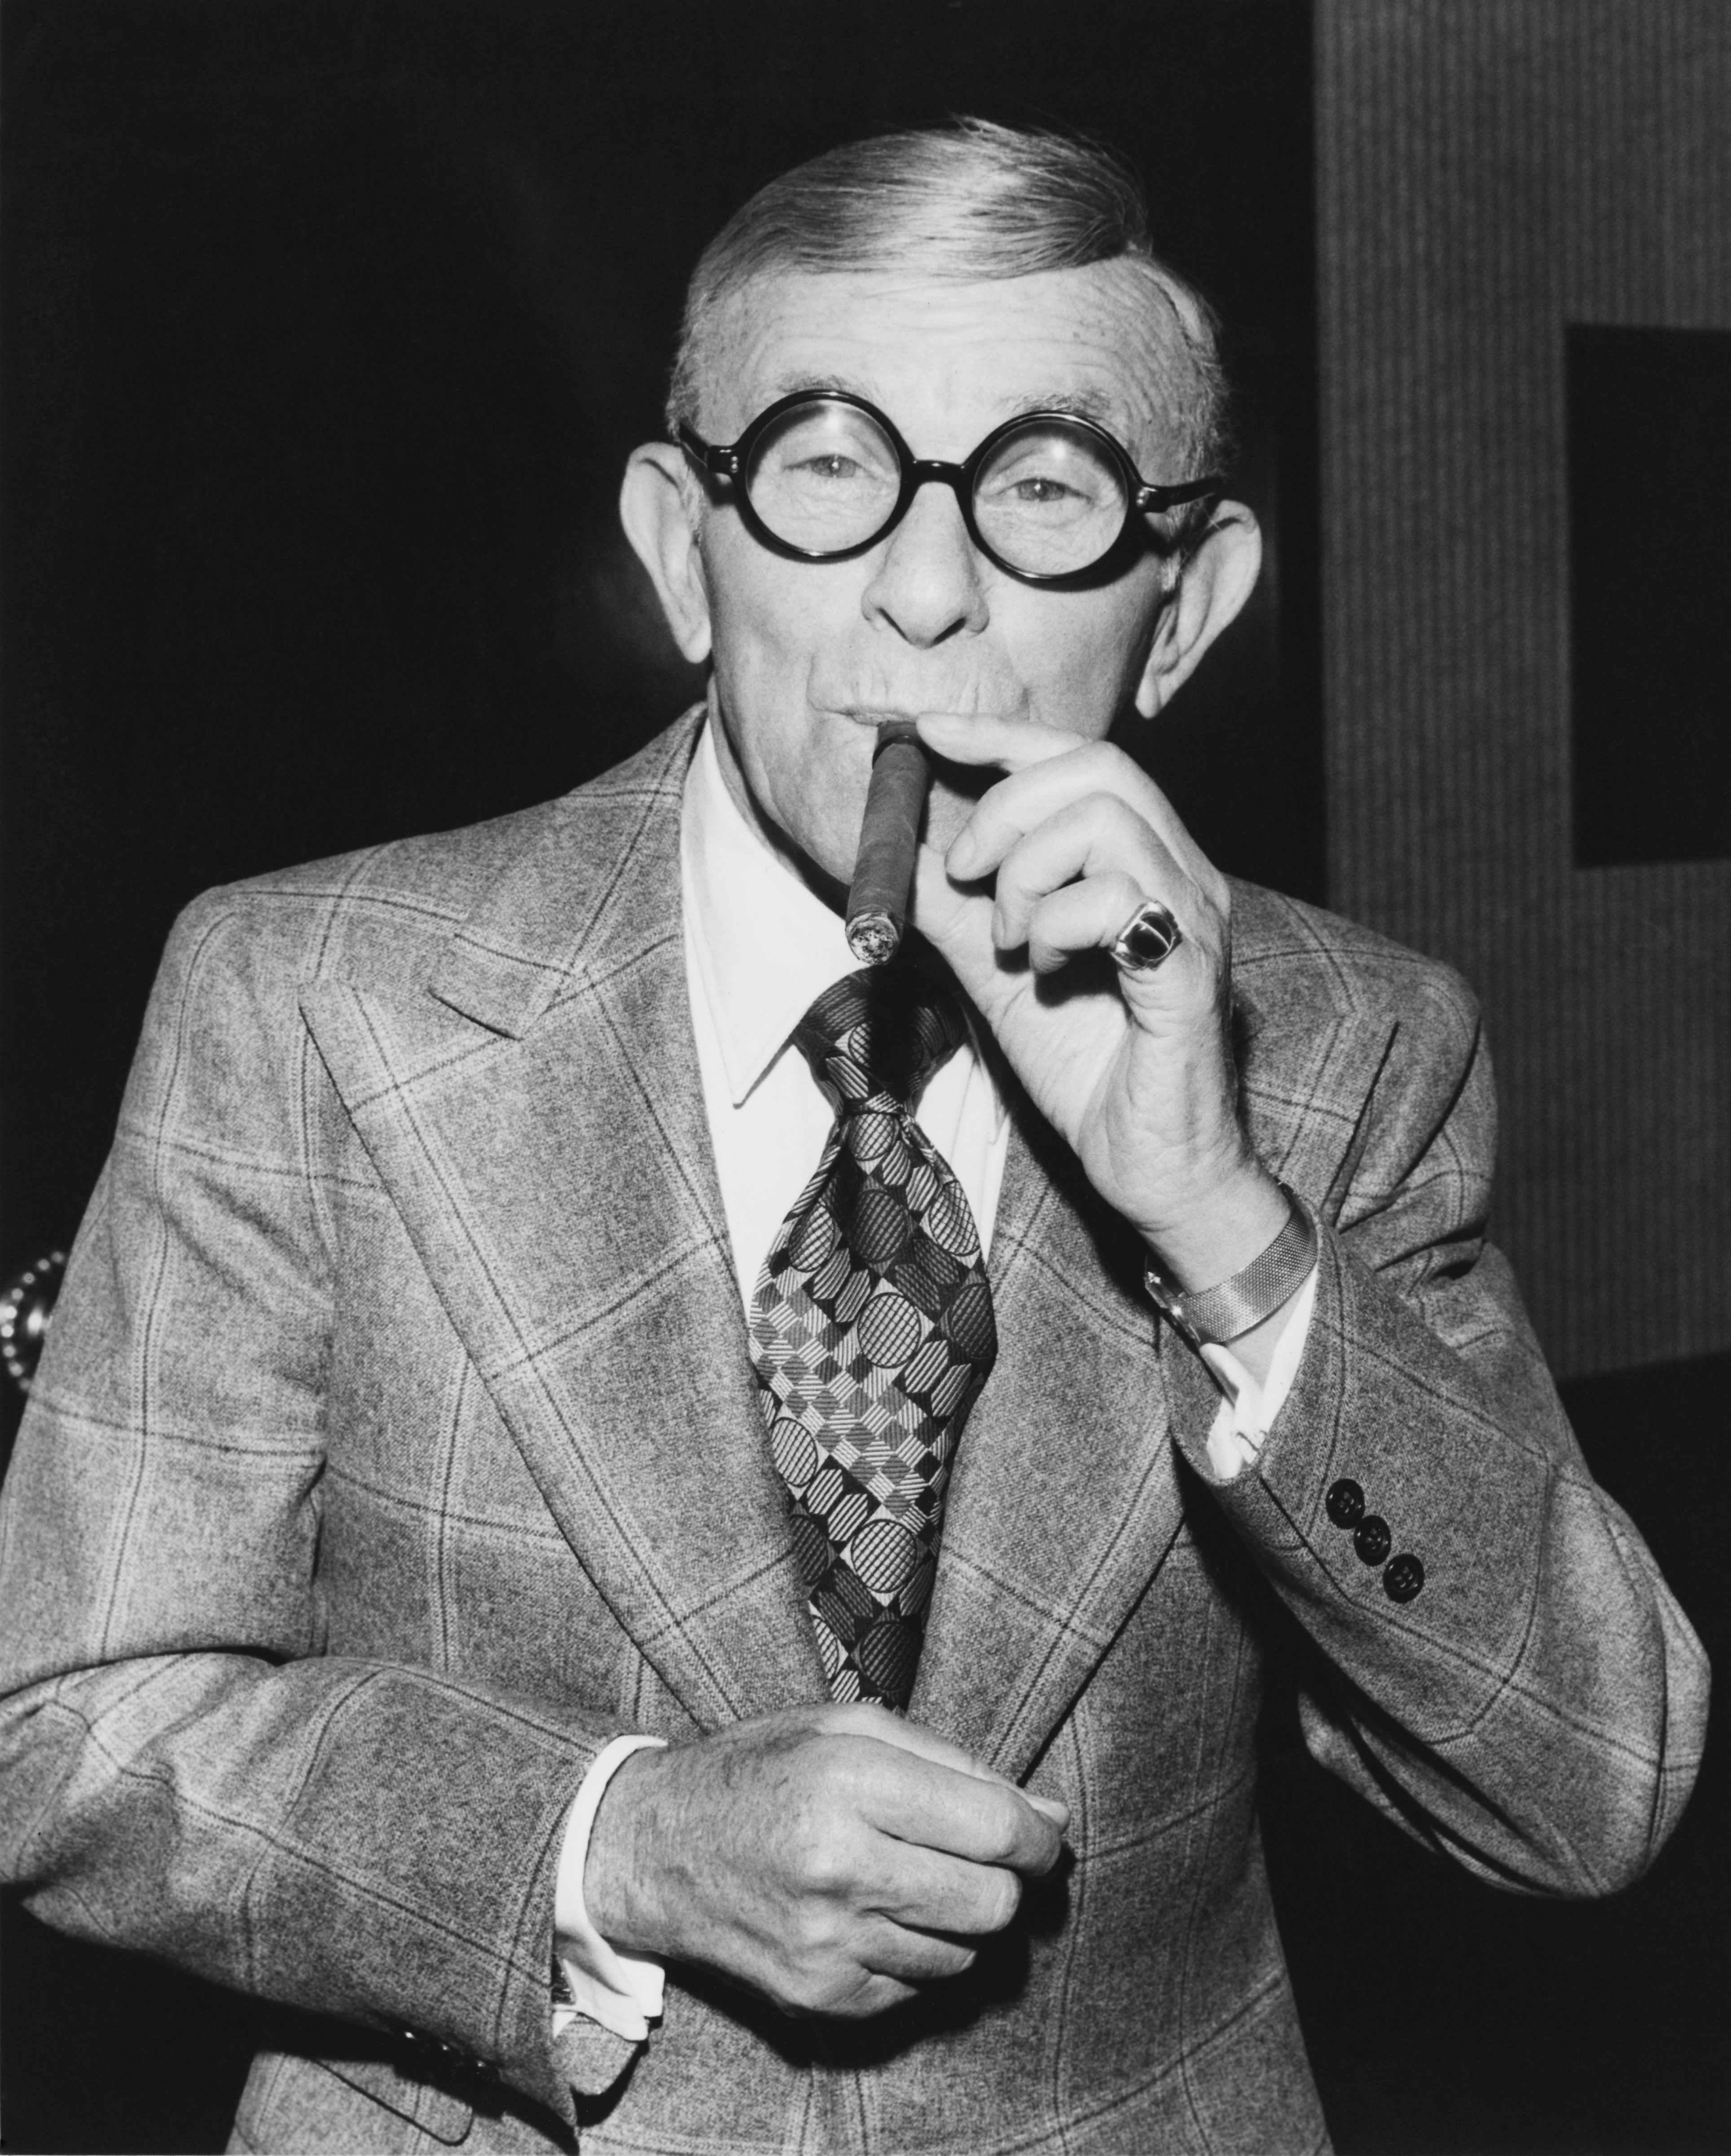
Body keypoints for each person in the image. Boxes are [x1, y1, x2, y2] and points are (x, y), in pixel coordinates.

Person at [0, 120, 1708, 2156]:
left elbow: (1584, 1789)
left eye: (1046, 487)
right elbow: (63, 1729)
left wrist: (1217, 1219)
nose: (924, 592)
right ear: (681, 553)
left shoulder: (1350, 1052)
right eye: (828, 467)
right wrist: (613, 1843)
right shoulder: (310, 996)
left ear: (1182, 609)